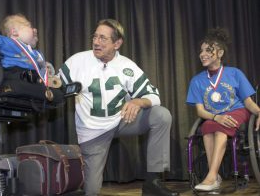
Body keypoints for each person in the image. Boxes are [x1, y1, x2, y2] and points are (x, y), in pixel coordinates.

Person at [57, 19, 178, 196]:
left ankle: (152, 181)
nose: (96, 42)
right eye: (95, 36)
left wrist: (137, 102)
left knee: (161, 115)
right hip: (93, 131)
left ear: (117, 43)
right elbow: (56, 85)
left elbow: (154, 96)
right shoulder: (77, 61)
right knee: (91, 192)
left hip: (122, 121)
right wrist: (49, 80)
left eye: (103, 38)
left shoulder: (126, 65)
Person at [186, 28, 260, 191]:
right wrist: (215, 117)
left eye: (208, 50)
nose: (202, 54)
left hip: (237, 111)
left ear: (219, 53)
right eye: (201, 51)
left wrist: (259, 112)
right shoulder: (197, 80)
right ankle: (215, 176)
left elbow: (248, 102)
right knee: (206, 127)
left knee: (221, 130)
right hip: (215, 116)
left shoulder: (234, 73)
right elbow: (200, 111)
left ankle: (211, 177)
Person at [0, 13, 60, 88]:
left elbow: (40, 66)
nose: (35, 29)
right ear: (14, 32)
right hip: (14, 74)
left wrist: (47, 69)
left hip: (33, 79)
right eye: (30, 26)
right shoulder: (11, 43)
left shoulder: (36, 53)